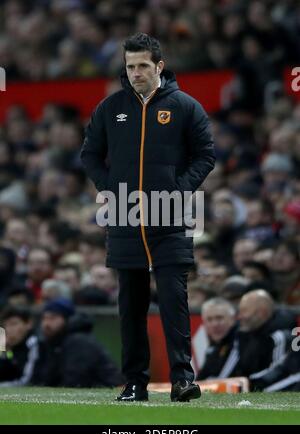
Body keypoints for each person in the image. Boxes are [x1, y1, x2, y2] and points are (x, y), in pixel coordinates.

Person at [81, 33, 215, 402]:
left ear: (159, 66)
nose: (135, 72)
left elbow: (206, 155)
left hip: (171, 217)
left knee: (174, 300)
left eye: (142, 65)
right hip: (125, 215)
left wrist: (179, 189)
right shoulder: (110, 108)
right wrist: (110, 187)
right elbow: (89, 154)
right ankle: (135, 383)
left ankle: (182, 380)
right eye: (130, 66)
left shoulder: (187, 106)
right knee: (131, 306)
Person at [31, 298, 124, 388]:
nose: (46, 324)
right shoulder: (54, 341)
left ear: (67, 319)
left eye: (53, 318)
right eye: (44, 318)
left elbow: (75, 381)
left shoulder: (78, 341)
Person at [236, 290, 291, 378]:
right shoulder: (248, 332)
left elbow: (277, 375)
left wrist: (248, 383)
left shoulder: (279, 337)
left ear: (262, 312)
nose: (239, 317)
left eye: (244, 311)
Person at [197, 298, 238, 380]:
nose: (215, 324)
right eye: (209, 319)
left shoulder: (238, 342)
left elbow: (223, 379)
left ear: (232, 319)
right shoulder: (213, 346)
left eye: (219, 318)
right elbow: (201, 378)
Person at [0, 306, 39, 387]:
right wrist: (5, 352)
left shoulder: (34, 343)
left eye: (13, 324)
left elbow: (27, 381)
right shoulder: (12, 347)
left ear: (29, 324)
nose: (8, 329)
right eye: (6, 325)